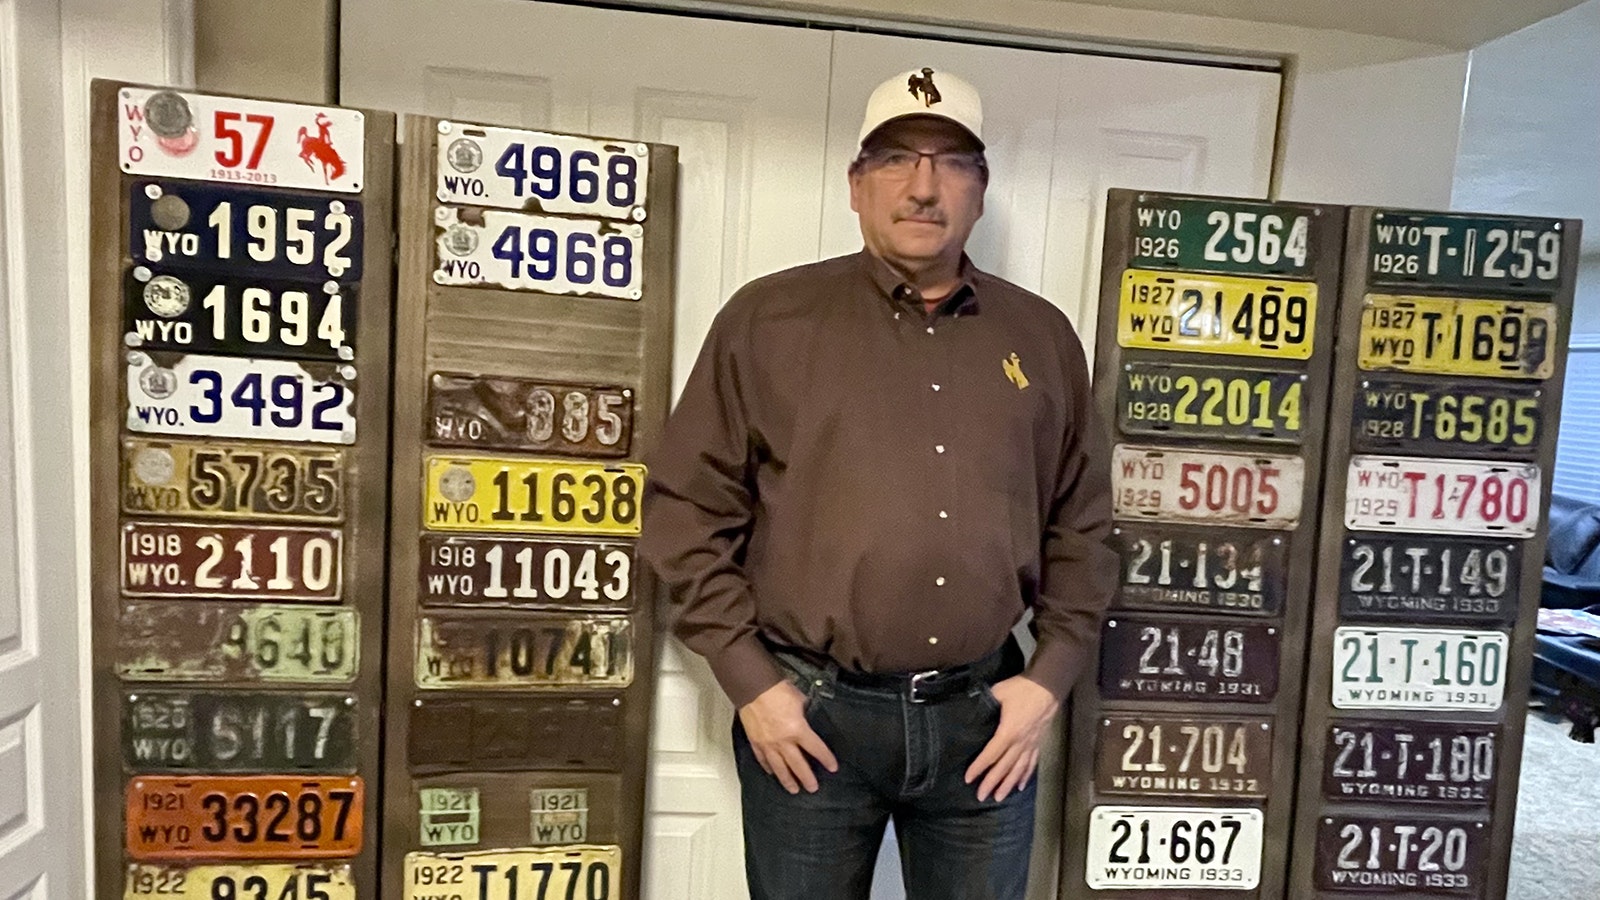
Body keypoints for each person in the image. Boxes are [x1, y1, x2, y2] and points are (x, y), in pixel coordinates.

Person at [639, 67, 1116, 900]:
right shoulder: (768, 321)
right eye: (896, 159)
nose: (923, 187)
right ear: (857, 186)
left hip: (984, 727)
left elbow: (1081, 525)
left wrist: (1048, 684)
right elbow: (685, 512)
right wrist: (754, 687)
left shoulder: (1040, 339)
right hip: (812, 724)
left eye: (951, 163)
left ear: (980, 190)